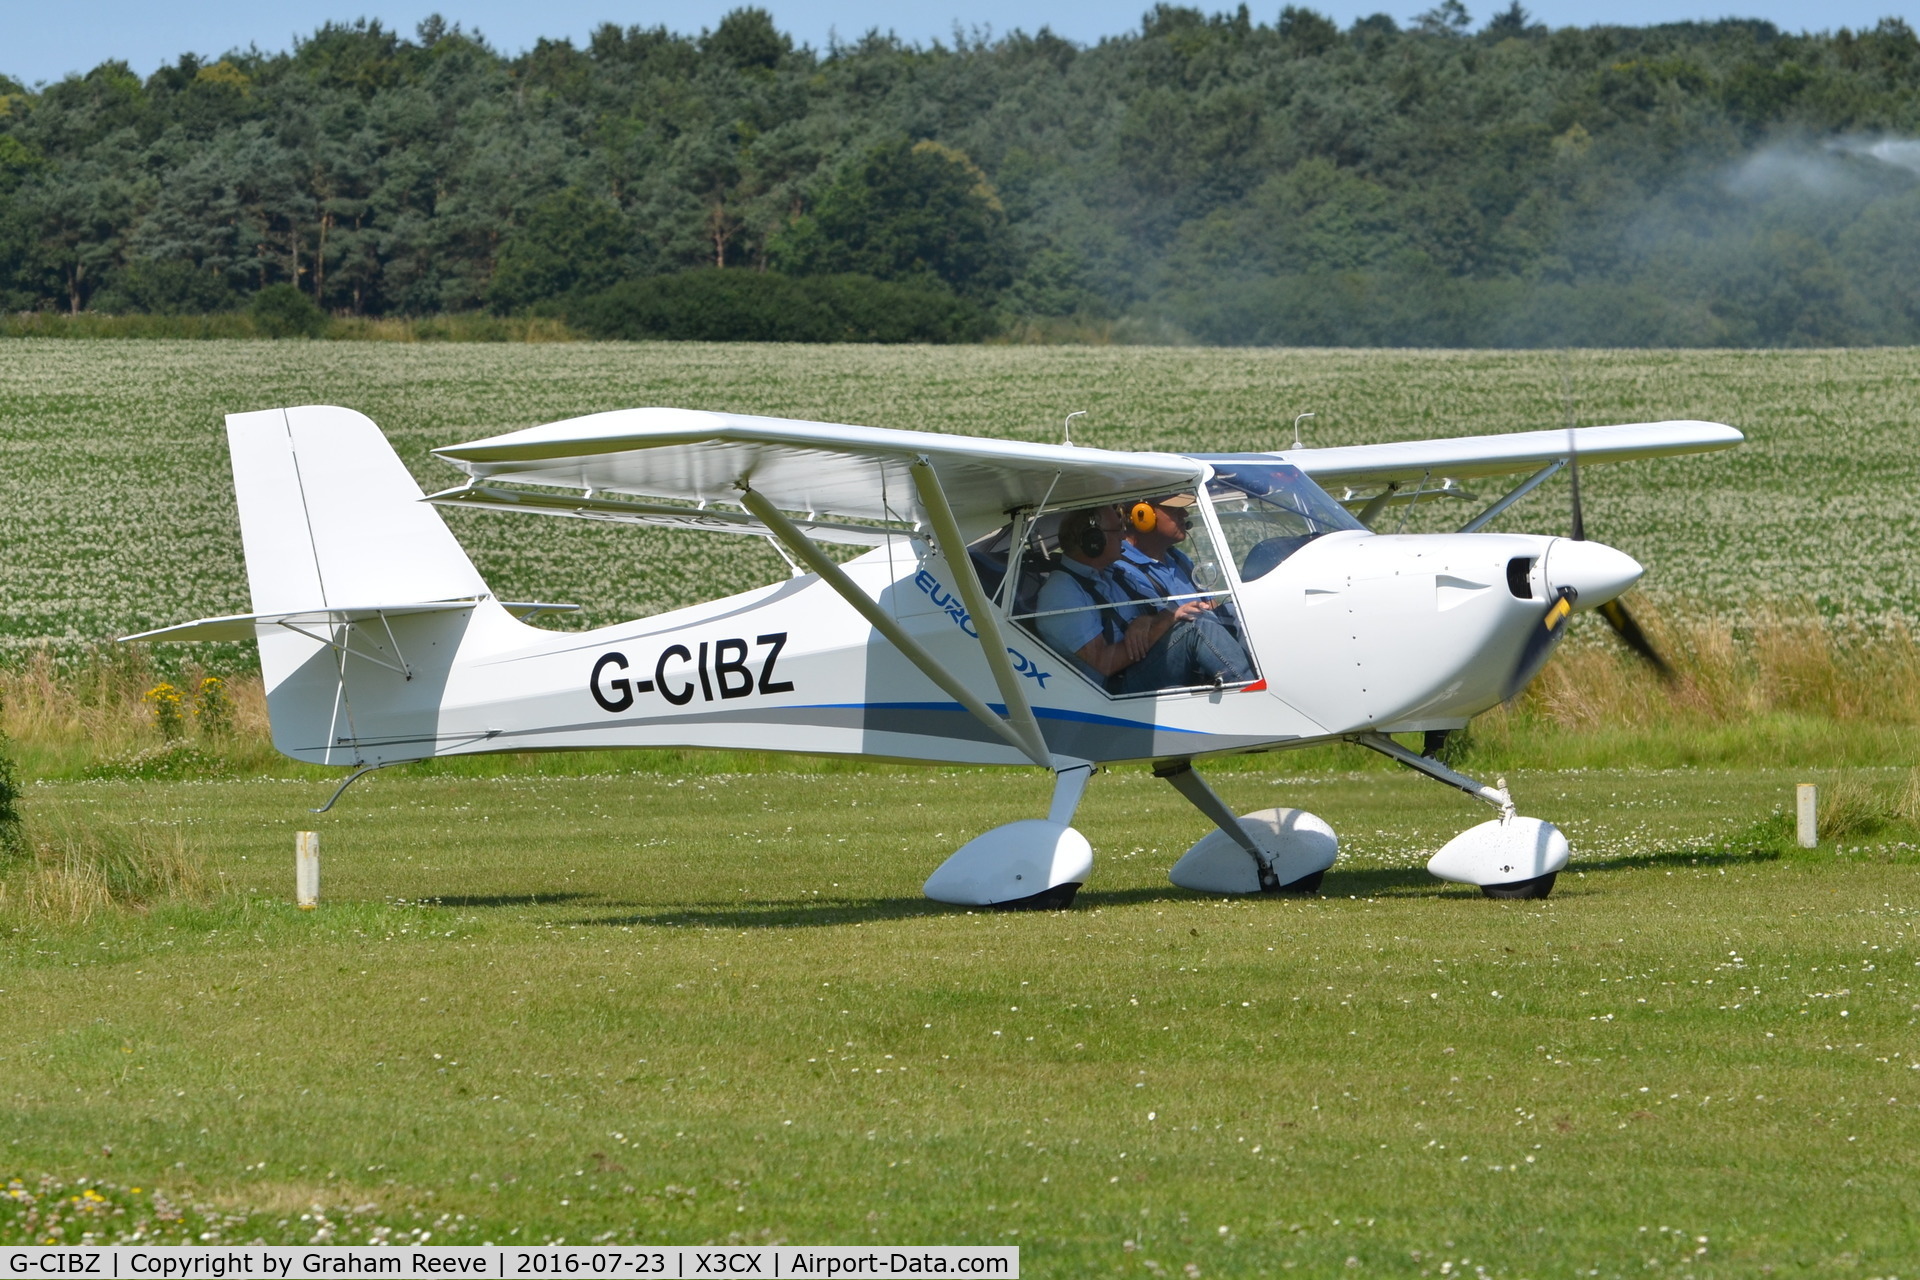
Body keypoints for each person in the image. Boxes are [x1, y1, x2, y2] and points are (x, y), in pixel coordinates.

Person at [1034, 505, 1249, 694]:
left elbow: (1159, 612)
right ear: (1093, 540)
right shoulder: (1062, 593)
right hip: (1113, 689)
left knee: (1232, 610)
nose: (1122, 536)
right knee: (1198, 628)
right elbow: (1102, 664)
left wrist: (1147, 621)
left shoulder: (1111, 573)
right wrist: (1164, 620)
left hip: (1141, 664)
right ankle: (1250, 693)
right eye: (1116, 530)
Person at [1114, 494, 1254, 684]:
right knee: (1198, 624)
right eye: (1173, 509)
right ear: (1142, 516)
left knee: (1238, 609)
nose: (1184, 513)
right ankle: (1249, 688)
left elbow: (1208, 604)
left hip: (1195, 650)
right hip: (1153, 663)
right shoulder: (1122, 569)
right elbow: (1144, 631)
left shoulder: (1176, 557)